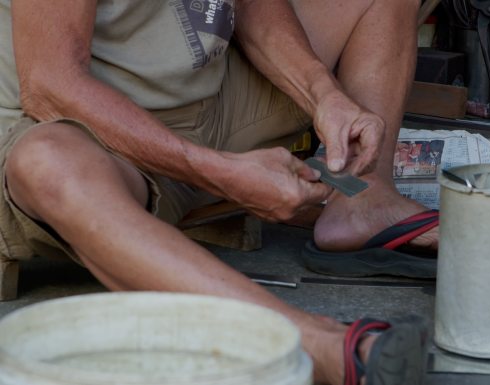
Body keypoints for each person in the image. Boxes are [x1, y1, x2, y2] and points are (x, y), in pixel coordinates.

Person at [0, 0, 440, 384]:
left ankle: (364, 197)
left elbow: (248, 4)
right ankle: (308, 343)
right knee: (48, 165)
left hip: (208, 104)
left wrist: (323, 94)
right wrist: (218, 173)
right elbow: (50, 85)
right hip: (91, 134)